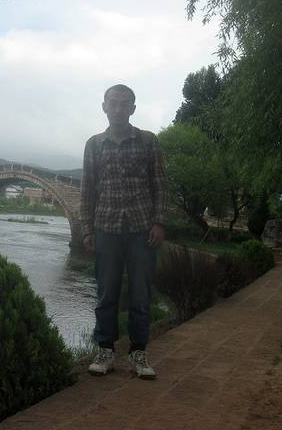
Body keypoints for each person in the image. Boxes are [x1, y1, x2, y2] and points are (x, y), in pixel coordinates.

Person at [80, 84, 168, 379]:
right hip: (106, 227)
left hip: (143, 228)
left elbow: (160, 184)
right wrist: (86, 230)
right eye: (113, 103)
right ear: (104, 107)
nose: (118, 109)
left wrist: (159, 222)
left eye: (124, 104)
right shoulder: (94, 145)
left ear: (133, 108)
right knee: (106, 294)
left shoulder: (148, 141)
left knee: (141, 295)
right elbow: (87, 190)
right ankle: (105, 350)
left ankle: (138, 353)